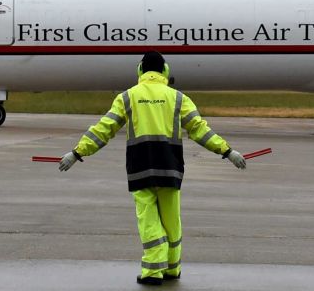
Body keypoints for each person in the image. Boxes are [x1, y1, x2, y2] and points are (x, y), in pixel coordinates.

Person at [58, 51, 247, 286]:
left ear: (140, 70)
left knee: (148, 219)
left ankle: (152, 271)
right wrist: (227, 151)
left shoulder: (127, 97)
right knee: (172, 220)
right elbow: (199, 129)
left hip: (140, 166)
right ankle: (172, 268)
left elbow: (103, 129)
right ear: (165, 71)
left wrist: (77, 153)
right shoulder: (178, 98)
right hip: (170, 167)